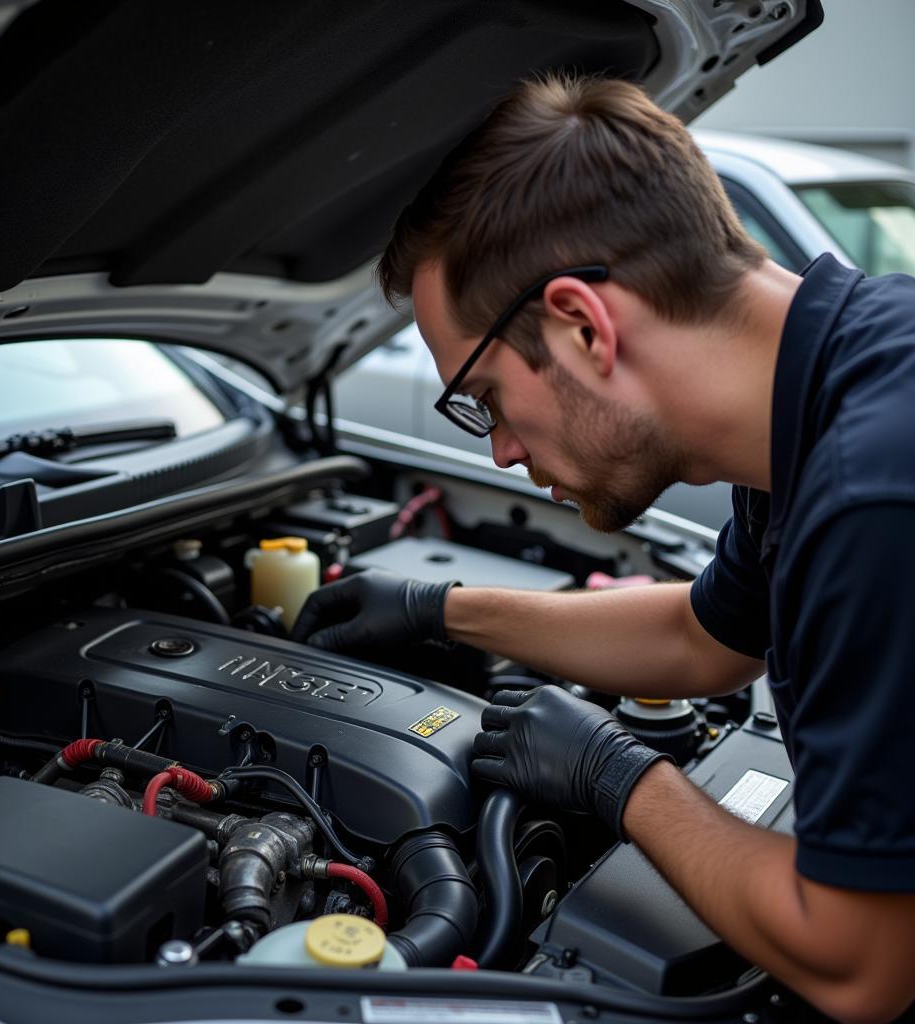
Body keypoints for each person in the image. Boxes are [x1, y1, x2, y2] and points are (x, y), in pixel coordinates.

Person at [291, 75, 915, 1022]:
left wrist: (621, 779)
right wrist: (442, 608)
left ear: (583, 324)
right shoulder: (830, 380)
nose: (498, 448)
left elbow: (862, 964)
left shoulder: (871, 499)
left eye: (485, 395)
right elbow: (708, 641)